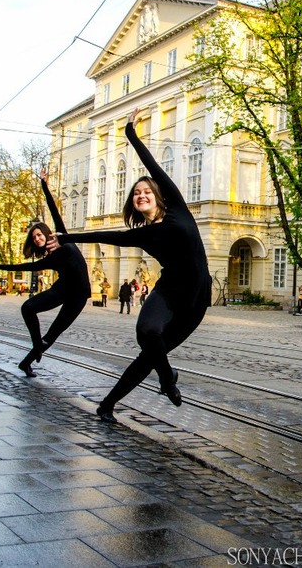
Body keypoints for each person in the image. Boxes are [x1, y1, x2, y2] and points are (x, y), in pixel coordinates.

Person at [48, 108, 210, 424]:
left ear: (159, 196)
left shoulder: (178, 209)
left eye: (147, 191)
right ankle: (164, 378)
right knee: (147, 333)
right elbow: (108, 235)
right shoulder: (144, 235)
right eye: (136, 193)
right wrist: (66, 235)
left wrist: (131, 135)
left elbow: (153, 166)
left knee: (150, 352)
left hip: (197, 296)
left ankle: (110, 402)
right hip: (169, 291)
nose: (141, 195)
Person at [0, 172, 89, 378]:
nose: (37, 238)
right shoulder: (49, 258)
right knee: (28, 307)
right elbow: (23, 267)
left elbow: (53, 209)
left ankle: (27, 362)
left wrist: (44, 184)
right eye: (34, 237)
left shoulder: (62, 238)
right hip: (62, 290)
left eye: (39, 234)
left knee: (53, 334)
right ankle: (37, 345)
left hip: (79, 296)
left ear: (47, 233)